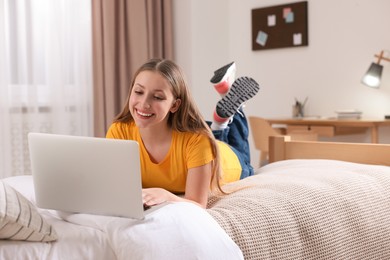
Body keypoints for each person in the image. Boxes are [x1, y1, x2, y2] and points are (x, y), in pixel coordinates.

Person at [106, 59, 259, 208]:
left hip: (228, 160)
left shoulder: (197, 141)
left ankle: (225, 119)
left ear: (175, 105)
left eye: (157, 97)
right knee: (210, 134)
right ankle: (220, 121)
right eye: (139, 92)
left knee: (243, 155)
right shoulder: (119, 131)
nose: (144, 104)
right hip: (201, 145)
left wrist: (166, 195)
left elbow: (198, 204)